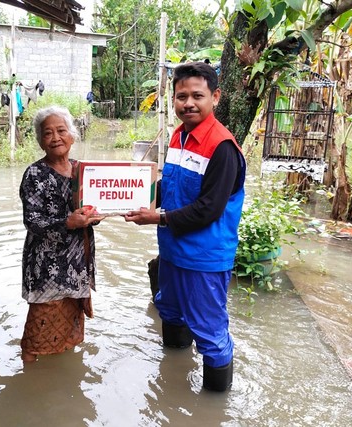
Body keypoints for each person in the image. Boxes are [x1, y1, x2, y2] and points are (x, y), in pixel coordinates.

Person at [124, 62, 246, 392]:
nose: (188, 103)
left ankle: (213, 405)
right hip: (173, 251)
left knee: (210, 331)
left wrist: (157, 217)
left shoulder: (222, 147)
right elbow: (171, 187)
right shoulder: (180, 135)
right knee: (171, 312)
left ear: (215, 97)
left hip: (203, 258)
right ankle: (171, 383)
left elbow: (208, 209)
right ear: (173, 99)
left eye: (197, 95)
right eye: (181, 96)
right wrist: (131, 192)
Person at [19, 106, 104, 362]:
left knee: (70, 318)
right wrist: (68, 222)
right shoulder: (34, 174)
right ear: (40, 141)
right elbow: (32, 221)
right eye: (48, 133)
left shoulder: (83, 169)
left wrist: (94, 217)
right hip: (48, 266)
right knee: (39, 324)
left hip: (78, 261)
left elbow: (92, 207)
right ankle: (30, 377)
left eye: (61, 130)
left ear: (72, 135)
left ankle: (64, 367)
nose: (55, 137)